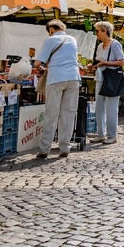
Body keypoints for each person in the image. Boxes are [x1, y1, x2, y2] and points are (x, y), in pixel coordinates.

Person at [34, 20, 81, 159]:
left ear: (51, 30)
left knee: (51, 114)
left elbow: (38, 63)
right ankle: (65, 147)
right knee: (68, 113)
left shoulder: (51, 40)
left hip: (56, 78)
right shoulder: (72, 39)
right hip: (73, 77)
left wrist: (42, 67)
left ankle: (44, 149)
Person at [92, 21, 124, 145]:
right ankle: (100, 134)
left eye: (98, 31)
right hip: (100, 78)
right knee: (99, 108)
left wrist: (105, 63)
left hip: (112, 79)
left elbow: (122, 62)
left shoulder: (115, 44)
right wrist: (95, 65)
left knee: (111, 109)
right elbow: (98, 61)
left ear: (105, 31)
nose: (96, 34)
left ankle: (112, 135)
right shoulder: (100, 46)